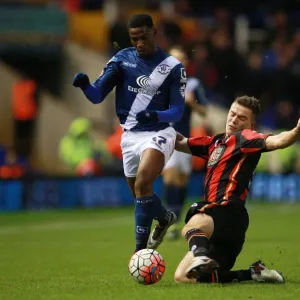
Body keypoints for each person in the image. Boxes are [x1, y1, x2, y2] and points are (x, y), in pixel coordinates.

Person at [72, 14, 186, 253]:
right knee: (140, 196)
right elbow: (97, 96)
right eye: (134, 39)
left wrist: (156, 116)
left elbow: (177, 111)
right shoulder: (122, 59)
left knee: (144, 180)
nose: (139, 44)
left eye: (143, 38)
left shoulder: (173, 67)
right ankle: (165, 217)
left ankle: (140, 253)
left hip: (160, 132)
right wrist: (84, 85)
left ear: (154, 33)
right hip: (130, 135)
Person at [171, 95, 300, 283]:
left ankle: (200, 255)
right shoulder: (214, 143)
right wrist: (158, 129)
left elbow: (277, 141)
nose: (233, 120)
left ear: (251, 125)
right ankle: (253, 273)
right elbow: (181, 143)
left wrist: (296, 131)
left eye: (241, 118)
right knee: (184, 276)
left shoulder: (245, 138)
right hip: (225, 226)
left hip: (228, 212)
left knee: (193, 221)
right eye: (232, 114)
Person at [162, 46, 208, 239]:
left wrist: (192, 104)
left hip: (184, 139)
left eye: (181, 60)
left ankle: (176, 220)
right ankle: (169, 220)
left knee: (181, 180)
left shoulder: (193, 85)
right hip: (164, 136)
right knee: (170, 176)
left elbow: (204, 112)